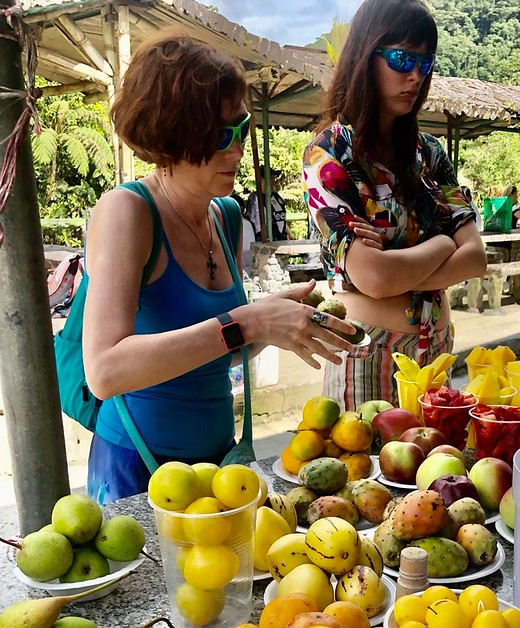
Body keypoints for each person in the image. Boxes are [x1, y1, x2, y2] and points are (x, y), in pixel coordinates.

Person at [82, 30, 354, 503]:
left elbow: (213, 350)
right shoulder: (129, 212)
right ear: (171, 136)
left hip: (218, 463)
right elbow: (104, 370)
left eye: (242, 128)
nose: (237, 149)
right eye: (219, 135)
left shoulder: (224, 215)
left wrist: (268, 327)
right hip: (139, 467)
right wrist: (245, 322)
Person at [302, 0, 486, 409]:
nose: (416, 76)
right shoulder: (329, 157)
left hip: (437, 349)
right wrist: (442, 245)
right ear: (367, 56)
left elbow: (475, 259)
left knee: (440, 471)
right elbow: (374, 279)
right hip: (370, 354)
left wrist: (393, 270)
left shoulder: (429, 154)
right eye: (403, 59)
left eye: (425, 63)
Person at [245, 170, 288, 241]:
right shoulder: (255, 198)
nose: (273, 180)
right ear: (261, 180)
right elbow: (250, 220)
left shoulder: (276, 196)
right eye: (270, 178)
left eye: (274, 178)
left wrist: (289, 233)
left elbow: (281, 218)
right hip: (263, 239)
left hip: (281, 238)